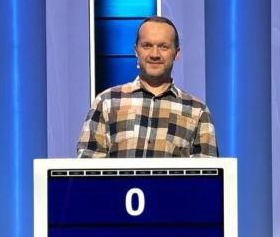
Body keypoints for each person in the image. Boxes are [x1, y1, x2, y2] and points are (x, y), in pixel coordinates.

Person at [77, 15, 217, 157]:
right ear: (136, 50)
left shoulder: (197, 111)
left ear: (176, 53)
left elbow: (208, 169)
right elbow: (88, 164)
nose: (154, 54)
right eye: (147, 46)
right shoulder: (107, 102)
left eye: (163, 47)